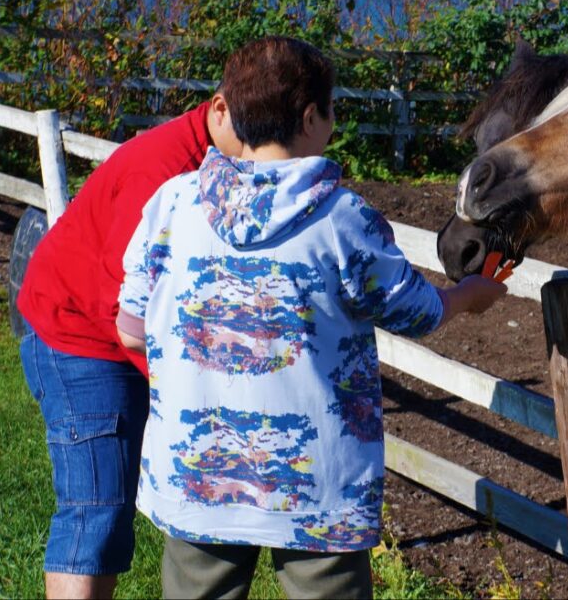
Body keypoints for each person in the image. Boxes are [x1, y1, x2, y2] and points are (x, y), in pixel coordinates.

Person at [115, 36, 506, 599]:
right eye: (330, 111)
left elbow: (129, 327)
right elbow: (416, 312)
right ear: (308, 117)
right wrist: (469, 294)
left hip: (197, 473)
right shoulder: (341, 219)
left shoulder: (172, 204)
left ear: (234, 112)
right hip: (316, 484)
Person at [17, 63, 244, 599]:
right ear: (218, 109)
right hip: (81, 338)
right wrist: (184, 386)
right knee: (95, 512)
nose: (263, 150)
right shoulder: (165, 172)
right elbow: (118, 305)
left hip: (97, 328)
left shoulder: (212, 156)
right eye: (255, 132)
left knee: (104, 510)